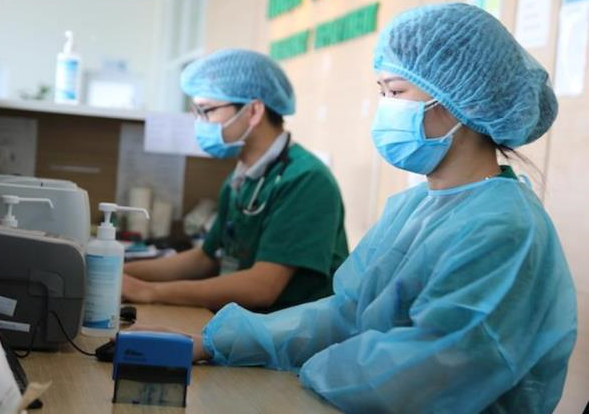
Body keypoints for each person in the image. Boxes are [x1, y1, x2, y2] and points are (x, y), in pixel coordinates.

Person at [131, 4, 577, 413]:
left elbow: (425, 372)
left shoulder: (504, 229)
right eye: (381, 91)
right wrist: (213, 343)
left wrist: (313, 368)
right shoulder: (414, 208)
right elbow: (342, 313)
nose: (385, 108)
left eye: (396, 91)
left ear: (464, 101)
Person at [123, 49, 349, 313]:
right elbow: (205, 258)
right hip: (247, 323)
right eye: (196, 112)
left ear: (253, 111)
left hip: (293, 333)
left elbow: (262, 287)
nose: (199, 123)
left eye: (207, 110)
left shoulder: (306, 180)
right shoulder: (241, 178)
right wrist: (118, 270)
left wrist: (151, 292)